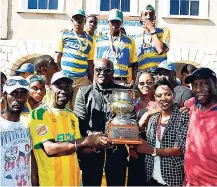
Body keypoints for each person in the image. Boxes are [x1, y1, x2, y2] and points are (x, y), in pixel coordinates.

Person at [29, 71, 111, 186]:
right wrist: (87, 140)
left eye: (67, 87)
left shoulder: (72, 115)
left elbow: (78, 149)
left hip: (73, 182)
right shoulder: (39, 114)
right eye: (59, 86)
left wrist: (97, 145)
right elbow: (50, 149)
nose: (63, 90)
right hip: (51, 182)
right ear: (50, 88)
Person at [74, 58, 132, 186]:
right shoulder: (84, 92)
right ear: (93, 71)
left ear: (113, 72)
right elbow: (79, 122)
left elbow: (129, 119)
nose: (102, 73)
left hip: (117, 152)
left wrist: (117, 134)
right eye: (98, 70)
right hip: (91, 152)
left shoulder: (123, 92)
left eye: (107, 70)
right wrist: (93, 136)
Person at [137, 77, 189, 186]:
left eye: (167, 94)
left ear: (173, 95)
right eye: (159, 95)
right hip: (151, 176)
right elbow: (149, 142)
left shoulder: (183, 117)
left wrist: (151, 150)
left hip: (173, 179)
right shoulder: (152, 119)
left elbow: (178, 150)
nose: (163, 98)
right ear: (155, 98)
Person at [0, 76, 38, 186]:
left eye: (23, 94)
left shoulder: (28, 123)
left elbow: (31, 158)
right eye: (14, 94)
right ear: (4, 95)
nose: (19, 98)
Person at [184, 68, 217, 186]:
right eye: (194, 85)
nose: (198, 89)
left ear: (215, 84)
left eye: (203, 84)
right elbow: (188, 102)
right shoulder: (194, 106)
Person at [55, 9, 94, 109]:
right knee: (64, 106)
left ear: (84, 21)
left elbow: (90, 62)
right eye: (76, 18)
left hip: (82, 79)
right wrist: (60, 73)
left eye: (81, 18)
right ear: (72, 20)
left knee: (78, 108)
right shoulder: (64, 35)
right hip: (66, 78)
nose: (78, 21)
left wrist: (91, 79)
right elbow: (57, 56)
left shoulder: (90, 39)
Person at [128, 70, 156, 186]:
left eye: (149, 82)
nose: (146, 86)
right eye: (142, 83)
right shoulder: (133, 104)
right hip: (136, 151)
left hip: (154, 152)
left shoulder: (160, 102)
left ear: (154, 83)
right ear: (137, 85)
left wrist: (148, 114)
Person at [94, 9, 137, 85]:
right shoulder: (99, 40)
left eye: (118, 22)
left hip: (121, 81)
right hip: (103, 80)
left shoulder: (129, 41)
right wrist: (95, 82)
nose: (115, 25)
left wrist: (133, 80)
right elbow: (95, 64)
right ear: (108, 22)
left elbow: (134, 63)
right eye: (112, 22)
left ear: (122, 23)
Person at [135, 4, 170, 71]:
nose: (148, 17)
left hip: (159, 74)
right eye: (145, 14)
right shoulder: (136, 36)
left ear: (154, 17)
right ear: (140, 18)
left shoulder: (164, 31)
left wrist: (151, 29)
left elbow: (160, 50)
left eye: (151, 14)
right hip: (144, 74)